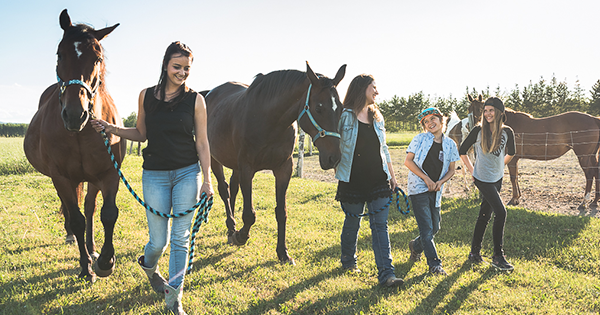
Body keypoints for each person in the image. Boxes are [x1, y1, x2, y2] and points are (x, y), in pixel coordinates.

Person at [92, 41, 213, 314]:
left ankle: (174, 300)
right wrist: (112, 128)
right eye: (177, 67)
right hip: (155, 175)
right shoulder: (146, 96)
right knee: (158, 242)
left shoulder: (196, 100)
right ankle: (149, 266)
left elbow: (203, 144)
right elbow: (141, 134)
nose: (182, 73)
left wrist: (207, 180)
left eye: (187, 69)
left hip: (187, 173)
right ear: (165, 65)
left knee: (181, 239)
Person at [335, 74, 403, 287]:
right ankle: (348, 260)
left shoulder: (377, 117)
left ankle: (386, 274)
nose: (377, 91)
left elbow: (384, 149)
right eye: (373, 87)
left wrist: (393, 177)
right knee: (352, 223)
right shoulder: (344, 116)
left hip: (378, 181)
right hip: (352, 181)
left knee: (380, 226)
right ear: (361, 88)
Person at [459, 97, 516, 271]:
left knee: (484, 214)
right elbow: (462, 151)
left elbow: (512, 153)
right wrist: (472, 171)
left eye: (491, 110)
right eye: (485, 111)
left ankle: (474, 253)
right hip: (482, 178)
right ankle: (498, 257)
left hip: (497, 178)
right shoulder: (477, 131)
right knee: (501, 212)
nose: (488, 114)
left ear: (499, 112)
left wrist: (501, 165)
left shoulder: (507, 132)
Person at [404, 107, 459, 276]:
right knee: (426, 229)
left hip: (436, 189)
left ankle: (416, 245)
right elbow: (408, 161)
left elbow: (452, 169)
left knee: (435, 227)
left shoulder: (450, 144)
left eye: (433, 118)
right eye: (426, 121)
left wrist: (440, 182)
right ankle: (435, 265)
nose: (430, 123)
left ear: (442, 121)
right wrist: (426, 179)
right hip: (418, 188)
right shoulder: (419, 139)